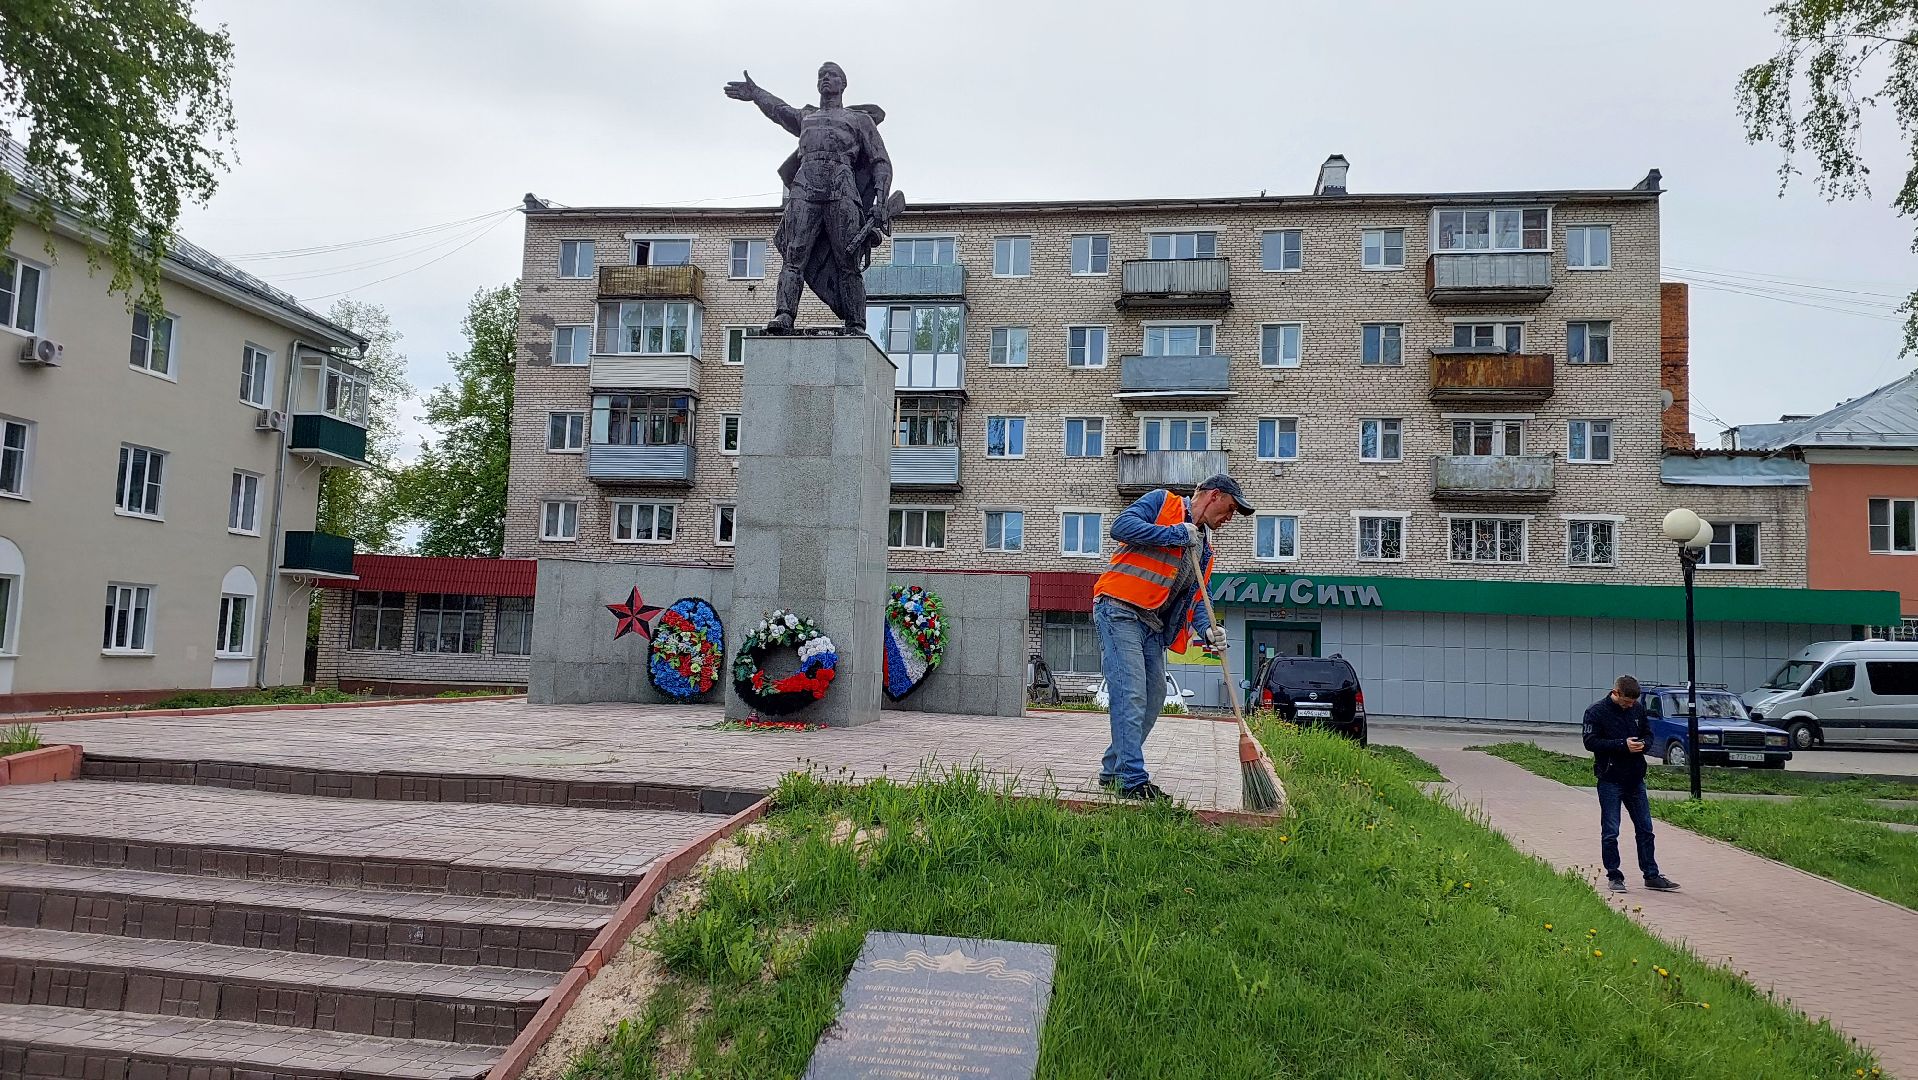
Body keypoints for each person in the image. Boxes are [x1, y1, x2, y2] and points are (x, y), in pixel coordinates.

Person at [1093, 474, 1252, 800]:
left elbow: (1198, 598)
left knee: (1152, 700)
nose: (1229, 518)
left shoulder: (1203, 550)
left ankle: (1113, 769)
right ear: (1214, 496)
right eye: (1230, 509)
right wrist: (1175, 534)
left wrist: (1209, 629)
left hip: (1152, 625)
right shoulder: (1162, 502)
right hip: (1118, 609)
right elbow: (1121, 527)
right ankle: (1131, 779)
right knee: (1131, 693)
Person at [723, 63, 893, 334]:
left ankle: (855, 323)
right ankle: (784, 315)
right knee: (794, 256)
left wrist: (881, 201)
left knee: (847, 262)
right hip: (805, 187)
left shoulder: (859, 120)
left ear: (843, 84)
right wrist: (756, 93)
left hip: (842, 188)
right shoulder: (807, 117)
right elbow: (779, 111)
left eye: (832, 74)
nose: (826, 78)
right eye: (821, 75)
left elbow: (881, 162)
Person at [1582, 675, 1681, 893]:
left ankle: (1651, 875)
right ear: (1615, 693)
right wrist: (1621, 745)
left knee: (1646, 828)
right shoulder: (1596, 712)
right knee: (1611, 830)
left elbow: (1648, 733)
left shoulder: (1637, 709)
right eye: (1626, 701)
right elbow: (1590, 742)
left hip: (1635, 779)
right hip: (1610, 779)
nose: (1630, 706)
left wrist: (1644, 744)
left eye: (1633, 702)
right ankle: (1614, 875)